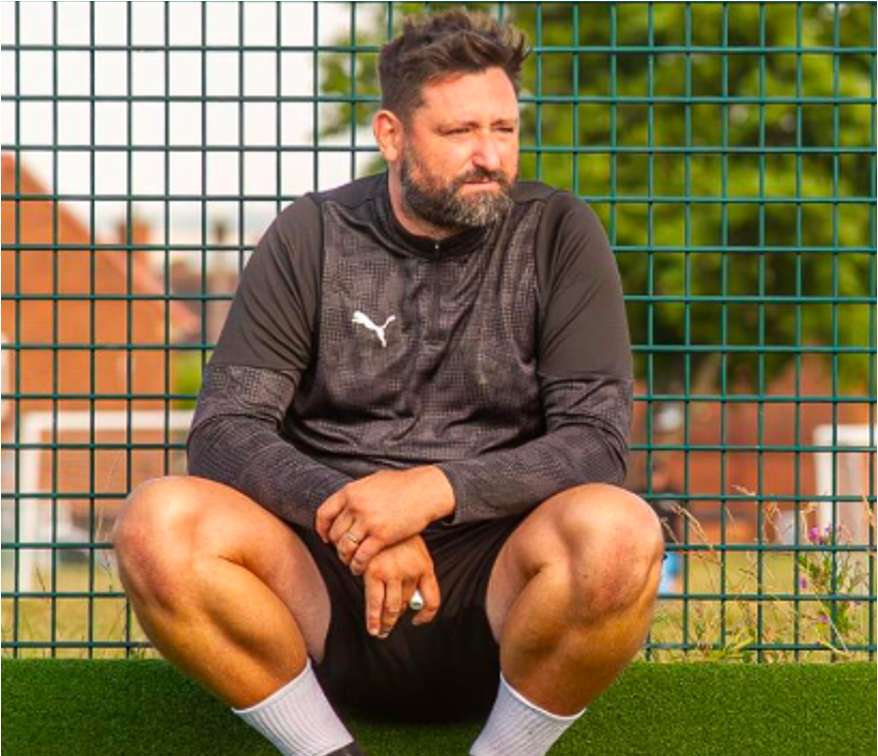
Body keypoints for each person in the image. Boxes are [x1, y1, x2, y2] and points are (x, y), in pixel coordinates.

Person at [112, 11, 664, 756]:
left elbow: (595, 443)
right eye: (461, 131)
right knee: (157, 524)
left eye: (504, 129)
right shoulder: (311, 234)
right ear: (391, 134)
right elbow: (224, 430)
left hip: (500, 591)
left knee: (621, 533)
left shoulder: (560, 233)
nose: (489, 155)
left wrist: (432, 491)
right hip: (322, 588)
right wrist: (358, 522)